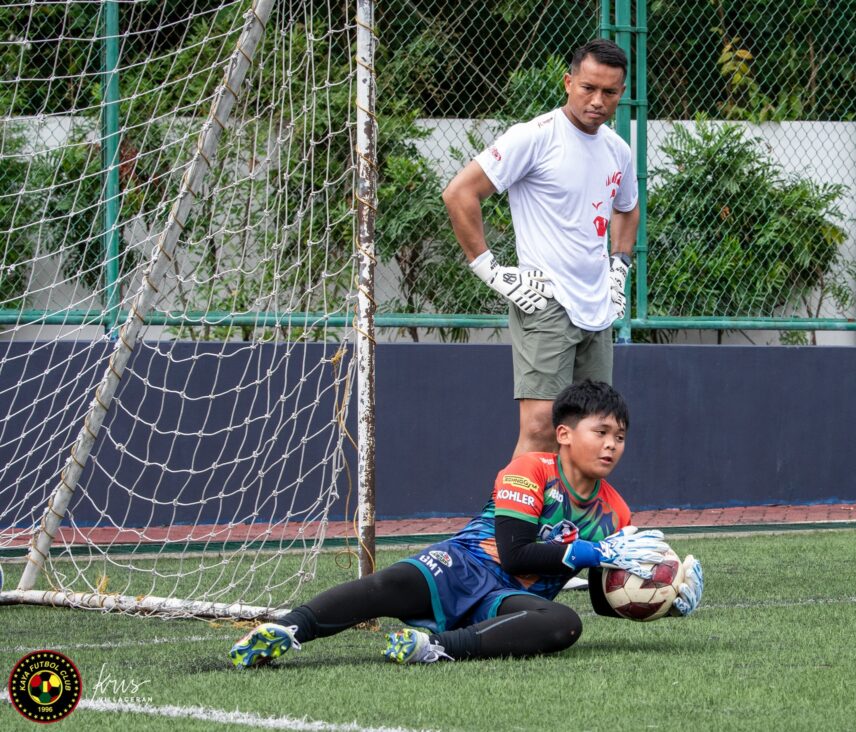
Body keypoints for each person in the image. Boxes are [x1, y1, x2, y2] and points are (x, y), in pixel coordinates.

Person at [229, 380, 703, 667]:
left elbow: (603, 599)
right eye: (600, 432)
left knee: (564, 622)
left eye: (619, 437)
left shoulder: (616, 512)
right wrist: (593, 552)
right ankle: (286, 631)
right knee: (388, 585)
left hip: (508, 600)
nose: (611, 446)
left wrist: (663, 597)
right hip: (460, 564)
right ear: (563, 434)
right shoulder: (529, 470)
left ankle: (435, 647)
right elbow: (515, 553)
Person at [442, 38, 640, 456]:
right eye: (588, 88)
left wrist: (619, 269)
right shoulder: (533, 137)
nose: (597, 100)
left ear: (621, 94)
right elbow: (460, 193)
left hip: (597, 307)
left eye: (609, 92)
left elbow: (627, 208)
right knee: (541, 428)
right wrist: (491, 271)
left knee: (592, 431)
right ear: (568, 82)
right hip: (545, 301)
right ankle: (512, 523)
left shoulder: (618, 150)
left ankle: (569, 522)